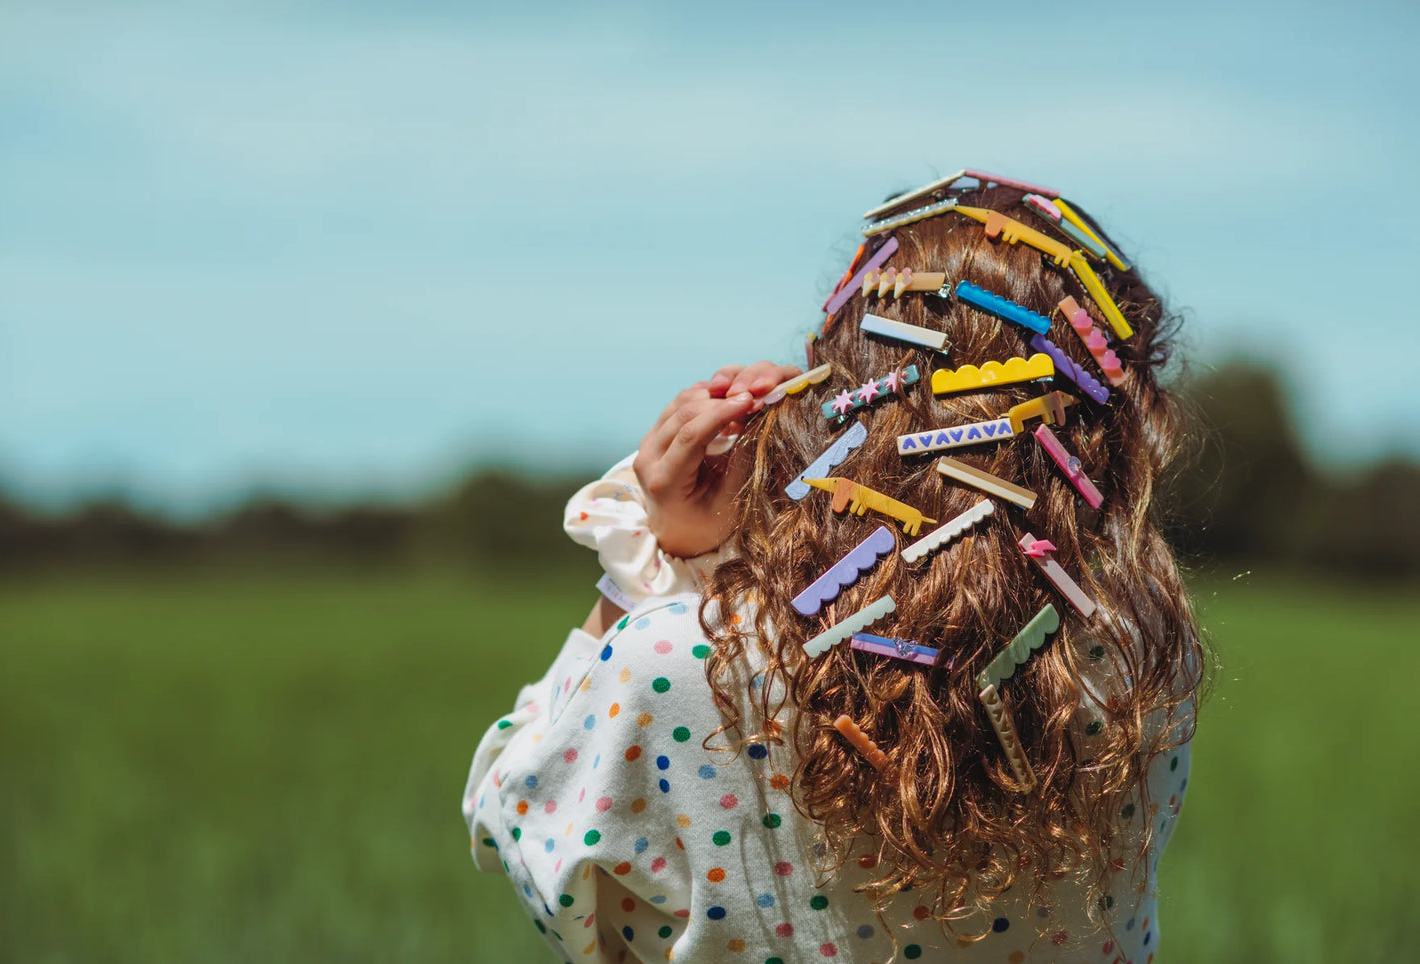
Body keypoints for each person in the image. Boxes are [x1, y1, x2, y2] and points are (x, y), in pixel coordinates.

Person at [464, 171, 1203, 964]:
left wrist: (661, 562)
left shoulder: (677, 660)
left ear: (839, 383)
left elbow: (512, 818)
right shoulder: (1138, 659)